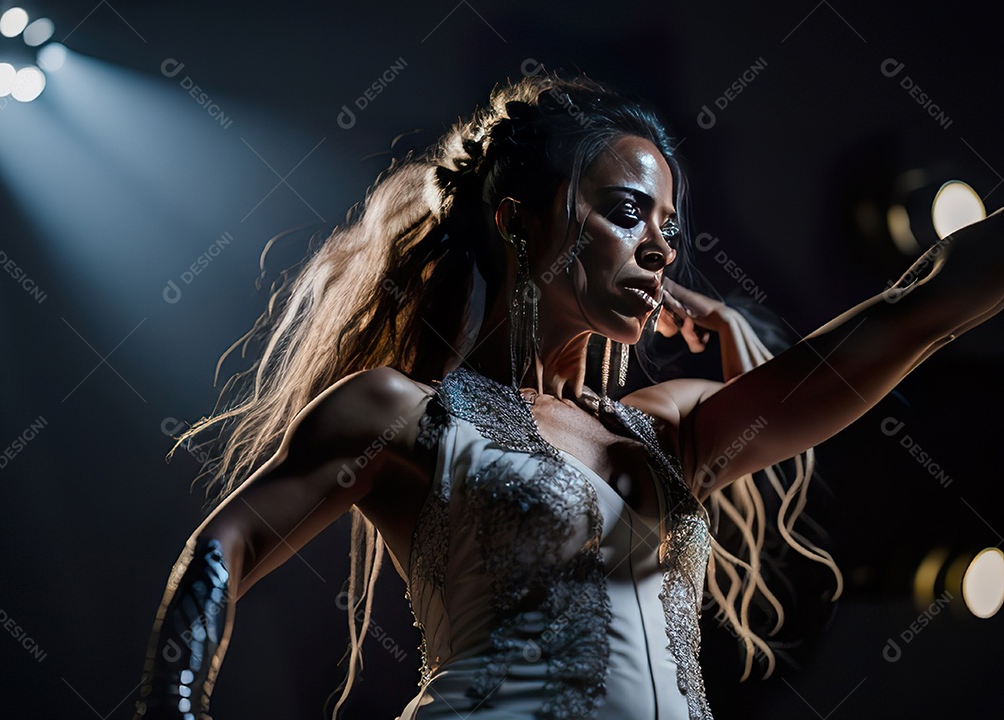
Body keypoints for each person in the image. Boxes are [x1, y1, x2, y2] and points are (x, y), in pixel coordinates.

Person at [131, 72, 1004, 720]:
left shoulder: (679, 433)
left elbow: (912, 314)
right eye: (627, 212)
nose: (661, 249)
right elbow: (227, 543)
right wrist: (172, 699)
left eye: (668, 226)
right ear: (518, 220)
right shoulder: (402, 415)